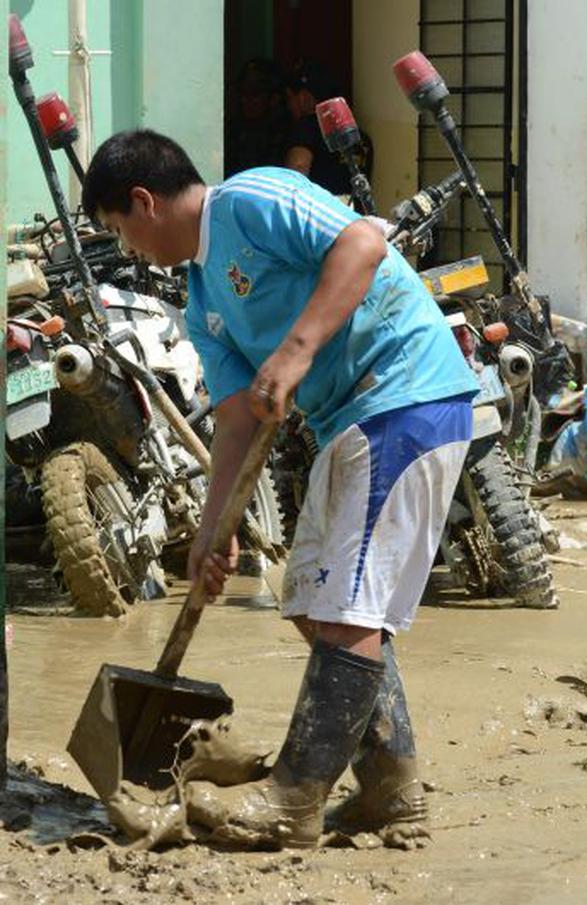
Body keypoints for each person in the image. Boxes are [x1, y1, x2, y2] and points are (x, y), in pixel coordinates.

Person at [82, 130, 479, 850]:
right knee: (310, 595)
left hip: (399, 391)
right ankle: (392, 786)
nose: (130, 249)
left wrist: (295, 351)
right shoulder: (202, 296)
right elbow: (235, 419)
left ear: (143, 201)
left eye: (120, 230)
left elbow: (360, 244)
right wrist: (213, 528)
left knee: (348, 603)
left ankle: (295, 796)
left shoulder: (252, 199)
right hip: (351, 422)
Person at [283, 59, 370, 197]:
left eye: (289, 98)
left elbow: (297, 171)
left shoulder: (306, 128)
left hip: (318, 215)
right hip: (352, 215)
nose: (288, 106)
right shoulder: (360, 137)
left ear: (304, 98)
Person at [225, 58, 290, 177]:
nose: (246, 100)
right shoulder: (234, 129)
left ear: (274, 98)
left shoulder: (284, 131)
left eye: (254, 94)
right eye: (243, 93)